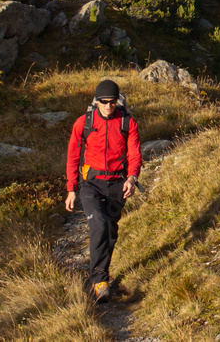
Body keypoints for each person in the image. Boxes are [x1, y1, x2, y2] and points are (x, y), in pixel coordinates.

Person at [64, 79, 142, 303]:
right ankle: (99, 281)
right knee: (98, 222)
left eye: (112, 101)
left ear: (118, 101)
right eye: (104, 101)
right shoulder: (83, 123)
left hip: (118, 184)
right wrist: (71, 189)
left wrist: (132, 178)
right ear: (96, 101)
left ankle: (102, 275)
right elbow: (72, 156)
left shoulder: (128, 122)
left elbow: (135, 153)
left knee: (109, 230)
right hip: (90, 184)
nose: (108, 106)